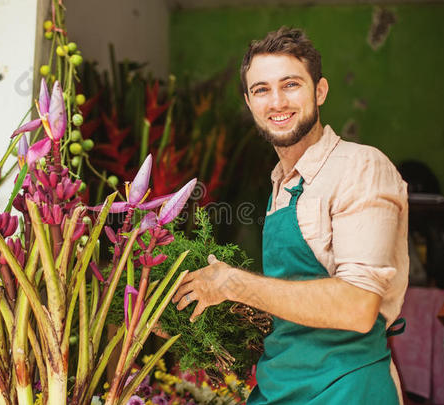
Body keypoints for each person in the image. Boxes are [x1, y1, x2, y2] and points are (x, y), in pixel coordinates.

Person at [172, 27, 409, 404]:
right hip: (280, 388)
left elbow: (358, 305)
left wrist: (232, 283)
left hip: (344, 390)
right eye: (261, 90)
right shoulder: (282, 182)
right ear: (249, 103)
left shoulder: (360, 167)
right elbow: (297, 296)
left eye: (291, 84)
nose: (277, 101)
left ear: (320, 91)